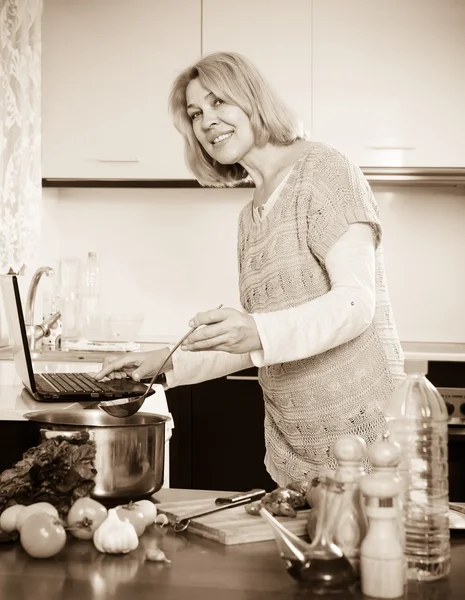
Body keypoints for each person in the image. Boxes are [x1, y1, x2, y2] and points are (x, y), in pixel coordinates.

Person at [94, 51, 405, 488]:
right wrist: (162, 364)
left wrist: (257, 330)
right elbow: (255, 342)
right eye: (196, 113)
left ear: (253, 100)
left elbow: (356, 304)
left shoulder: (325, 172)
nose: (207, 122)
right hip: (293, 449)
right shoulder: (250, 215)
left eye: (219, 102)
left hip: (362, 441)